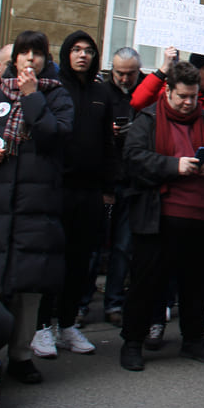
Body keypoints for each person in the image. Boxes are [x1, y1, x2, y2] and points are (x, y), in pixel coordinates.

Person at [0, 31, 74, 385]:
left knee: (28, 286)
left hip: (35, 204)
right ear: (13, 60)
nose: (29, 59)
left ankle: (21, 355)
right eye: (23, 53)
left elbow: (53, 135)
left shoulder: (57, 96)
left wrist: (32, 97)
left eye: (36, 53)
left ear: (45, 59)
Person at [118, 61, 204, 372]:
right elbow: (133, 158)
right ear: (168, 91)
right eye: (182, 96)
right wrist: (173, 166)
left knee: (197, 285)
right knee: (146, 284)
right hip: (159, 219)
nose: (188, 103)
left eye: (192, 97)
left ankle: (192, 340)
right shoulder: (147, 120)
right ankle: (132, 342)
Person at [30, 32, 117, 359]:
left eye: (89, 51)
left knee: (81, 262)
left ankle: (67, 324)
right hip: (57, 187)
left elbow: (107, 144)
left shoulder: (101, 91)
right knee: (52, 260)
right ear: (65, 53)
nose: (83, 55)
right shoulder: (53, 86)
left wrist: (108, 187)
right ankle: (42, 327)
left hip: (90, 189)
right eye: (77, 50)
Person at [101, 47, 142, 326]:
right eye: (120, 73)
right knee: (95, 248)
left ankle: (114, 302)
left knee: (124, 247)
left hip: (133, 180)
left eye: (131, 74)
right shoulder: (101, 94)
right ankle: (78, 305)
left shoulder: (145, 94)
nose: (125, 79)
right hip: (104, 179)